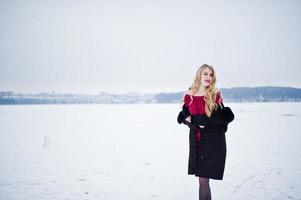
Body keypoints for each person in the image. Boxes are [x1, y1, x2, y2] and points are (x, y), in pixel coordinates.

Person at [177, 64, 234, 200]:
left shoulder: (214, 94)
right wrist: (186, 120)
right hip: (196, 143)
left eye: (211, 74)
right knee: (203, 182)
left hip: (212, 143)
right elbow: (185, 115)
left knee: (203, 181)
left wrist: (203, 121)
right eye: (205, 74)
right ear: (199, 75)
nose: (208, 77)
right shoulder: (189, 95)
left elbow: (222, 118)